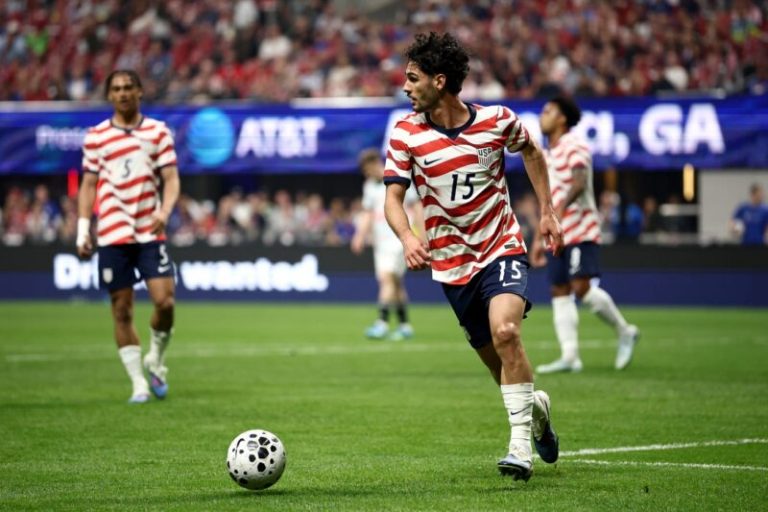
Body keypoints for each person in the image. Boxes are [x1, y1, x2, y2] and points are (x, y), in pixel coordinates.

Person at [383, 32, 564, 482]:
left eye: (413, 78)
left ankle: (519, 449)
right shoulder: (406, 134)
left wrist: (547, 211)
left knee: (506, 332)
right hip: (451, 265)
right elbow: (393, 199)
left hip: (501, 245)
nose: (405, 87)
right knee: (500, 366)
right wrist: (407, 237)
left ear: (439, 81)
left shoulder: (497, 121)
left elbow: (532, 152)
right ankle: (536, 410)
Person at [77, 69, 180, 404]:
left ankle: (156, 360)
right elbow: (88, 185)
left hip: (150, 230)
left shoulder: (157, 132)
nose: (122, 93)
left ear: (139, 92)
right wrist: (83, 230)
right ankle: (138, 383)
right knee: (121, 310)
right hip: (112, 233)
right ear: (110, 95)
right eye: (117, 88)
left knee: (165, 302)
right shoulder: (96, 136)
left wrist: (164, 212)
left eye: (128, 87)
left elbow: (171, 178)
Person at [532, 96, 639, 374]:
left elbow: (579, 182)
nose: (542, 116)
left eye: (548, 111)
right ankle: (570, 356)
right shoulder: (545, 154)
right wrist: (538, 238)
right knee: (559, 289)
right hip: (556, 234)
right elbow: (545, 199)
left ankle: (625, 331)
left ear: (562, 119)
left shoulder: (575, 145)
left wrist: (558, 212)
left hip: (580, 229)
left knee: (581, 287)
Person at [351, 148, 422, 340]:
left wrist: (422, 235)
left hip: (400, 239)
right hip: (381, 243)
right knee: (396, 283)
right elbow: (368, 213)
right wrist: (359, 236)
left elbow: (416, 207)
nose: (367, 174)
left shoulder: (399, 178)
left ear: (376, 163)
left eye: (367, 169)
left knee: (387, 278)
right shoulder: (369, 186)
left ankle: (381, 322)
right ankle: (405, 325)